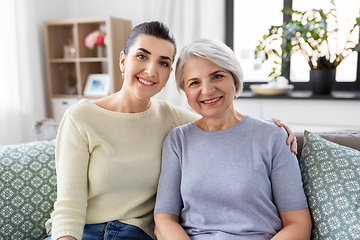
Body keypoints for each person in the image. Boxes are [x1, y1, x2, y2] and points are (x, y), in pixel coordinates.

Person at [45, 22, 297, 240]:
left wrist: (275, 128)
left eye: (163, 63)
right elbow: (68, 207)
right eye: (142, 56)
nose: (151, 70)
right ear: (123, 60)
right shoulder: (81, 118)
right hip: (81, 230)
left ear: (168, 77)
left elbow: (224, 121)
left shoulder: (172, 119)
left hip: (134, 233)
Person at [154, 39, 312, 240]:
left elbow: (299, 224)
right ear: (185, 92)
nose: (207, 90)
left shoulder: (272, 136)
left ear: (235, 81)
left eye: (217, 76)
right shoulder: (177, 141)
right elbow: (164, 220)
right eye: (194, 83)